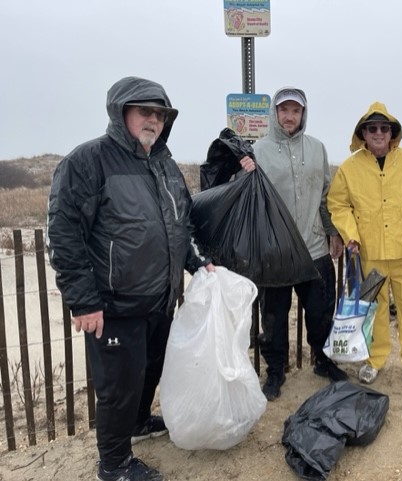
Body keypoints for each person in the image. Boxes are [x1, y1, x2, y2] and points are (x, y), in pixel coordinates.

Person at [47, 76, 216, 481]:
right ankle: (114, 464)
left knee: (149, 371)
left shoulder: (166, 166)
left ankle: (138, 423)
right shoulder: (88, 161)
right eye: (145, 112)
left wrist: (194, 264)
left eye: (159, 114)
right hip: (114, 303)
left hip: (159, 299)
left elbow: (180, 225)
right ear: (121, 111)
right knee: (118, 387)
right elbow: (64, 232)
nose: (153, 121)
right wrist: (83, 300)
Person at [327, 102, 402, 389]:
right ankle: (375, 360)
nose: (378, 133)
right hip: (369, 253)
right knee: (374, 309)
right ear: (363, 132)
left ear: (392, 132)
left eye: (384, 128)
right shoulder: (349, 169)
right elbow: (337, 204)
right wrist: (350, 234)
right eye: (371, 128)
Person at [252, 86, 347, 401]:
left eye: (296, 110)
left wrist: (333, 231)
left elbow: (325, 194)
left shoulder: (317, 148)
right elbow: (249, 198)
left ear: (303, 114)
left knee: (320, 312)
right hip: (276, 253)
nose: (289, 116)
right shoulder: (258, 150)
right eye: (284, 110)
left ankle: (322, 360)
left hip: (315, 248)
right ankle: (276, 370)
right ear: (275, 114)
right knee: (274, 318)